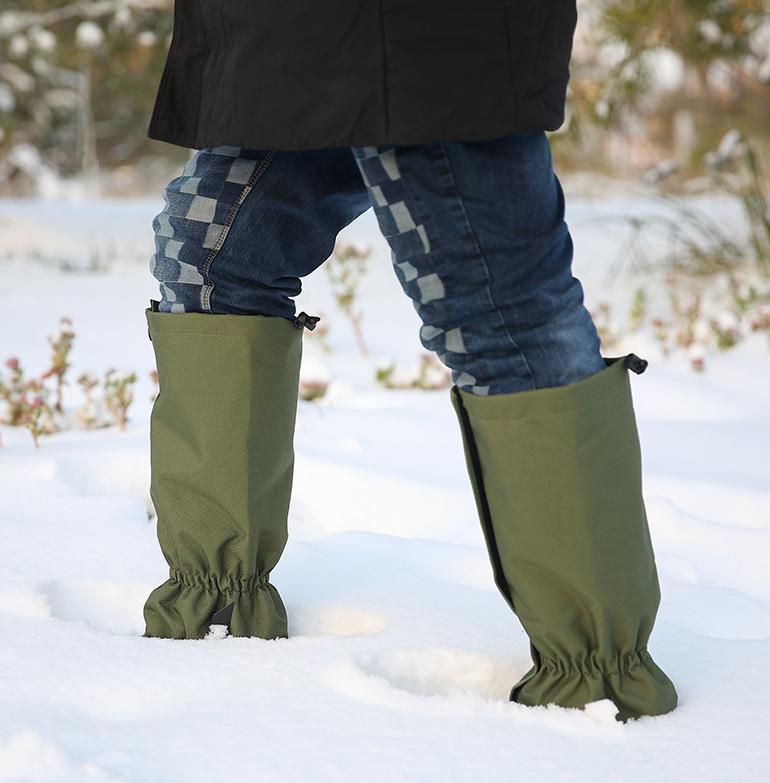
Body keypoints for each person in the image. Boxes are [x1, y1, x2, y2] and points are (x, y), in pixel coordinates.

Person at [142, 0, 678, 721]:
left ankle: (599, 675)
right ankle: (214, 601)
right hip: (277, 30)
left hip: (427, 31)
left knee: (496, 307)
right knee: (208, 256)